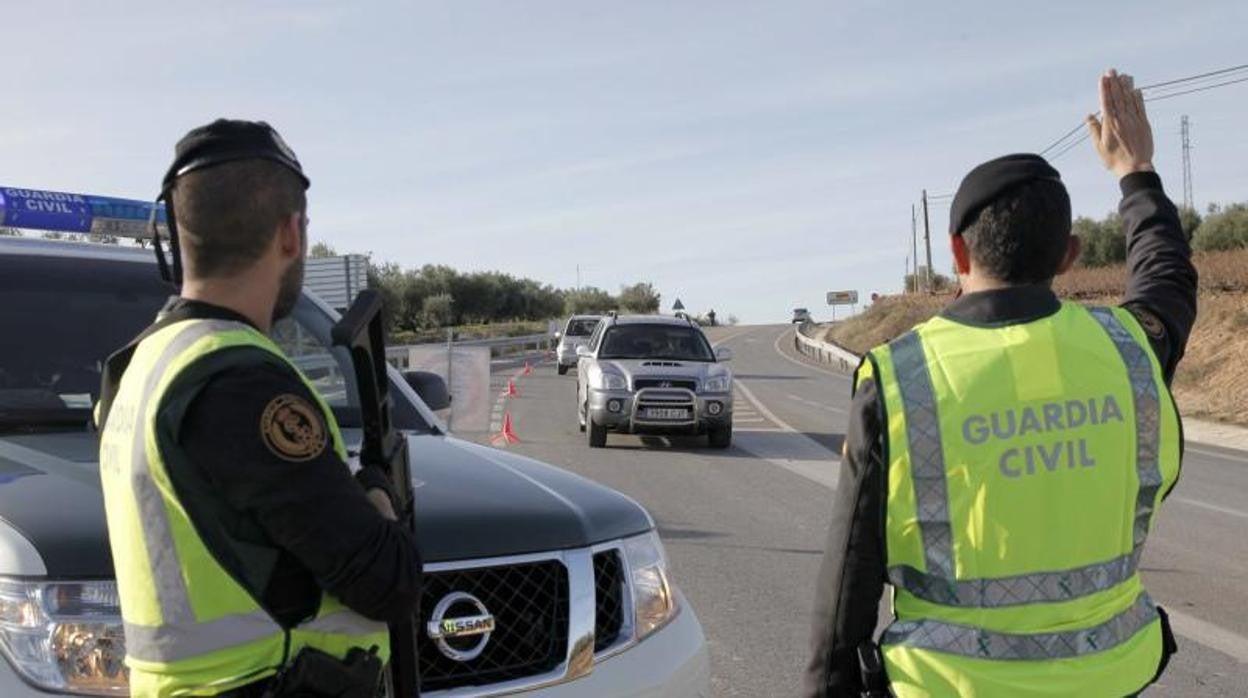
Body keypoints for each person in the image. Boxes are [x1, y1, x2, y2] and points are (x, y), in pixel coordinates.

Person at [804, 69, 1197, 697]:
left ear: (957, 252)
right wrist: (1136, 172)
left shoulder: (901, 377)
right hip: (1111, 677)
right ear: (1069, 255)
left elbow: (851, 568)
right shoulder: (1129, 349)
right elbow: (1167, 275)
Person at [96, 120, 422, 697]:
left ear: (178, 237)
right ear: (291, 234)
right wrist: (376, 491)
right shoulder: (238, 379)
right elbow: (386, 581)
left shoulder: (140, 367)